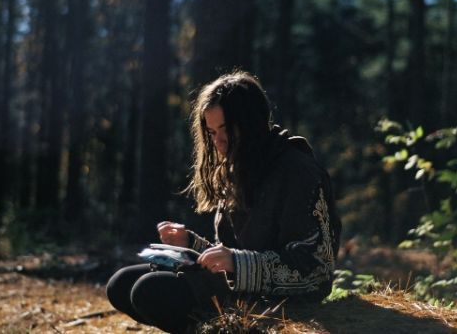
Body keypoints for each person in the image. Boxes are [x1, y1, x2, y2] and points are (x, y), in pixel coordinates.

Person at [106, 71, 341, 333]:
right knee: (121, 284)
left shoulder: (298, 171)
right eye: (212, 132)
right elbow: (231, 251)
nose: (218, 141)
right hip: (239, 291)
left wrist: (238, 263)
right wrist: (191, 243)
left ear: (252, 122)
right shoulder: (238, 167)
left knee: (149, 291)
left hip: (278, 305)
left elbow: (317, 272)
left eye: (226, 129)